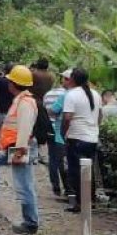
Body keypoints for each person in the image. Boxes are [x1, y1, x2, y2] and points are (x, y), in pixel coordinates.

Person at [0, 65, 41, 235]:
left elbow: (24, 130)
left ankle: (31, 223)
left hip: (20, 147)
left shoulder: (25, 103)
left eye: (10, 80)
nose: (8, 82)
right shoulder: (20, 100)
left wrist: (19, 152)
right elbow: (12, 128)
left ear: (13, 83)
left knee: (24, 185)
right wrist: (1, 145)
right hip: (14, 146)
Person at [61, 68, 101, 213]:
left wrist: (64, 132)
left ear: (72, 79)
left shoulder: (72, 95)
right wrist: (94, 127)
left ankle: (80, 203)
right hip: (92, 137)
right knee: (88, 170)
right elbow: (100, 116)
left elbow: (67, 118)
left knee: (75, 171)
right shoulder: (95, 94)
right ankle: (90, 201)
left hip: (76, 137)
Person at [42, 70, 72, 199]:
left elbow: (46, 111)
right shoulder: (68, 95)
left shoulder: (48, 94)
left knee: (52, 158)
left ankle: (55, 186)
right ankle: (67, 188)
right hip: (61, 131)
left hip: (49, 128)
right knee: (63, 160)